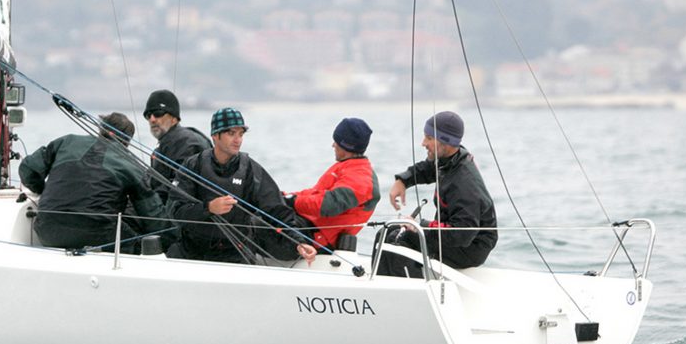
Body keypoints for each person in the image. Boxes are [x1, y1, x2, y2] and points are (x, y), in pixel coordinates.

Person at [168, 107, 317, 265]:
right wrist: (209, 208)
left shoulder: (251, 170)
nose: (237, 140)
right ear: (215, 136)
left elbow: (278, 211)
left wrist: (299, 242)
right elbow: (174, 211)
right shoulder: (193, 165)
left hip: (236, 253)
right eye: (231, 133)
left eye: (241, 134)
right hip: (194, 252)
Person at [374, 111, 497, 277]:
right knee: (386, 232)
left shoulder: (464, 182)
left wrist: (419, 226)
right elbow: (428, 168)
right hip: (455, 235)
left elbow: (462, 234)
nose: (423, 143)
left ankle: (412, 293)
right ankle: (380, 284)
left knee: (398, 239)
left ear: (446, 142)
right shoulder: (450, 159)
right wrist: (403, 180)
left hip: (471, 247)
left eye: (429, 138)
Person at [19, 112, 166, 251]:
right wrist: (171, 239)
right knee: (139, 244)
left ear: (101, 129)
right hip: (99, 236)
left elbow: (27, 169)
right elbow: (151, 213)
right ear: (127, 140)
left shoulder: (65, 141)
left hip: (47, 231)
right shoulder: (131, 164)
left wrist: (42, 191)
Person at [286, 117, 379, 252]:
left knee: (254, 224)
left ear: (346, 145)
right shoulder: (348, 167)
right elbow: (315, 193)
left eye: (336, 141)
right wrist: (285, 196)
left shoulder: (361, 178)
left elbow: (328, 204)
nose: (333, 145)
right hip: (307, 226)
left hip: (317, 239)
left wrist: (292, 201)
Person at [143, 89, 211, 198]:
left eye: (158, 113)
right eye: (148, 115)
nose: (152, 119)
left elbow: (181, 187)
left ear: (174, 118)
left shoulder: (186, 142)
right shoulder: (165, 144)